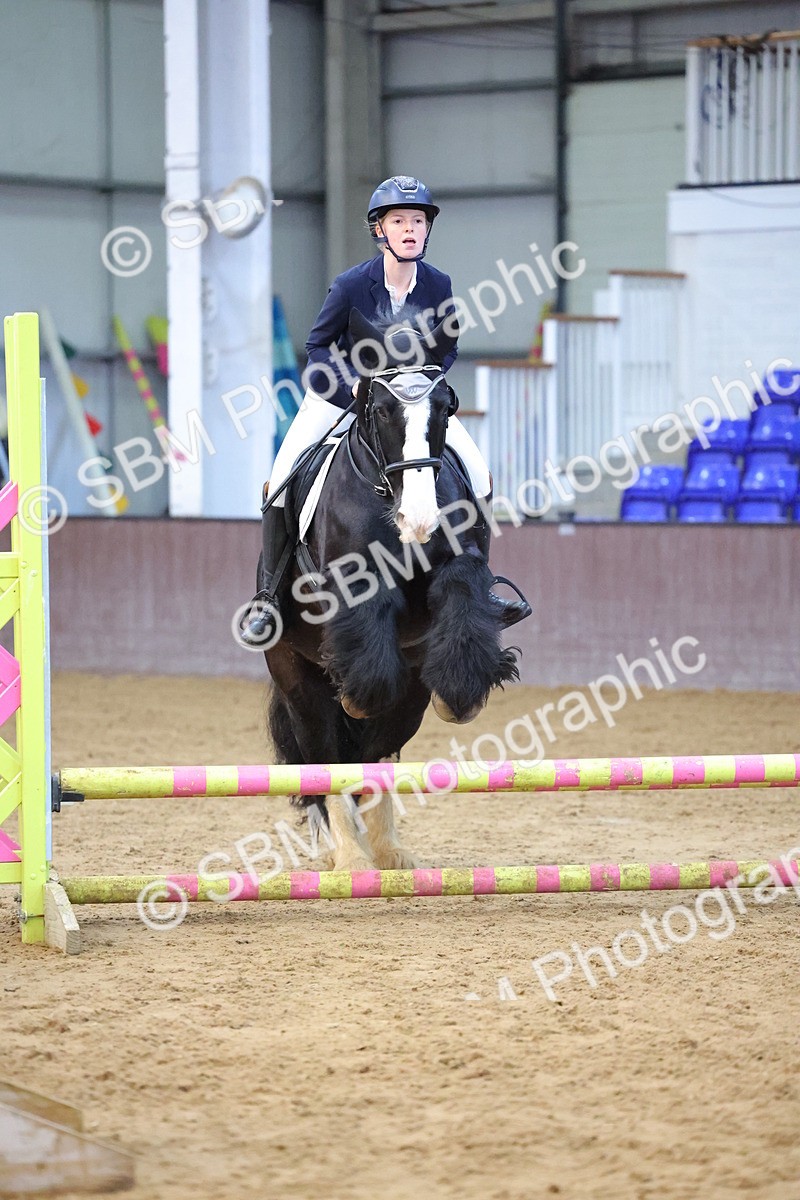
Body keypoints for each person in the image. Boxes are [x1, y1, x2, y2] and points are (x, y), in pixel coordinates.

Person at [240, 175, 531, 646]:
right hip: (346, 396)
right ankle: (269, 597)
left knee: (479, 475)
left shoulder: (439, 284)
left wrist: (426, 384)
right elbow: (318, 348)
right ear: (381, 230)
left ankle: (481, 589)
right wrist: (354, 390)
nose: (411, 229)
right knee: (280, 480)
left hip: (414, 405)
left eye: (418, 221)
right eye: (400, 221)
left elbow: (448, 347)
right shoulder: (352, 285)